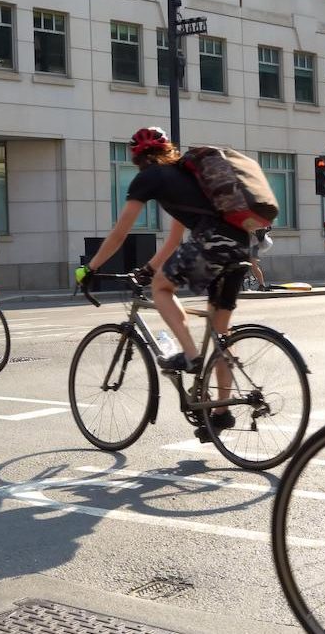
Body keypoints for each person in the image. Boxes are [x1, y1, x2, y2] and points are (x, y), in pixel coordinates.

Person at [74, 127, 251, 437]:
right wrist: (149, 267)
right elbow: (172, 240)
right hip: (239, 243)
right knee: (219, 332)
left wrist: (91, 267)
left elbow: (119, 233)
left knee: (161, 288)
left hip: (212, 243)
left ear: (137, 158)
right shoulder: (184, 177)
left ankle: (191, 356)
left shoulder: (150, 177)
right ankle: (221, 413)